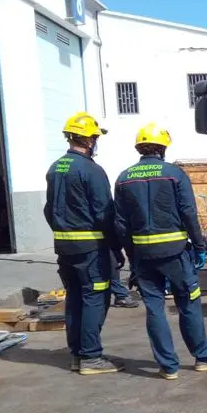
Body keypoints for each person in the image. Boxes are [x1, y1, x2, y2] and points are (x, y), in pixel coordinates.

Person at [114, 123, 207, 380]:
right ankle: (204, 357)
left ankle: (168, 366)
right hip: (176, 253)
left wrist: (132, 258)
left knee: (154, 308)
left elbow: (121, 224)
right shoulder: (174, 174)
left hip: (143, 254)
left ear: (139, 148)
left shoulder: (124, 178)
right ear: (163, 148)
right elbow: (189, 212)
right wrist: (200, 247)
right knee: (188, 303)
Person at [44, 112, 124, 375]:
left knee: (75, 297)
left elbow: (49, 210)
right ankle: (91, 357)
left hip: (64, 247)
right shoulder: (91, 170)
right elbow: (104, 213)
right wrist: (116, 247)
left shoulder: (56, 167)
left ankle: (78, 354)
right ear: (89, 140)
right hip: (90, 247)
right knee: (95, 297)